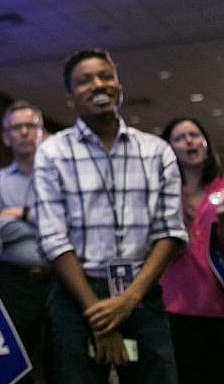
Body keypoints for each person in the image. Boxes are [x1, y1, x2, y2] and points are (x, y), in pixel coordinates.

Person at [34, 48, 187, 384]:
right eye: (84, 80)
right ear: (70, 98)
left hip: (142, 292)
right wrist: (100, 318)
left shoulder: (156, 151)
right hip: (77, 297)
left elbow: (171, 232)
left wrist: (128, 300)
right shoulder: (52, 153)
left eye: (106, 76)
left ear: (119, 85)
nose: (98, 84)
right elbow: (53, 238)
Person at [158, 117, 224, 384]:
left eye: (195, 135)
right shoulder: (163, 192)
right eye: (180, 138)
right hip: (172, 304)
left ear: (206, 143)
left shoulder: (222, 188)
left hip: (217, 305)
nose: (189, 141)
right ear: (169, 149)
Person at [0, 100, 51, 384]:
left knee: (59, 363)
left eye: (32, 126)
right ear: (6, 136)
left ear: (43, 132)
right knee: (15, 367)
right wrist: (44, 223)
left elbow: (69, 224)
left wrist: (23, 214)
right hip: (12, 284)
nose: (25, 132)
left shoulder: (59, 179)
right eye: (17, 127)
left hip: (59, 281)